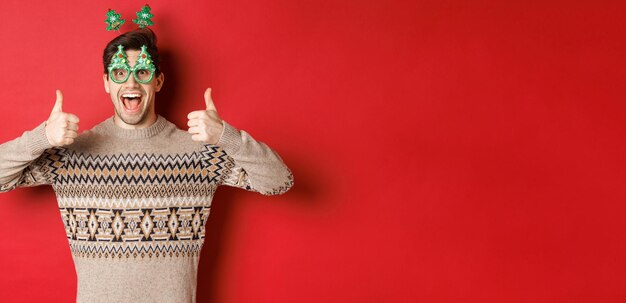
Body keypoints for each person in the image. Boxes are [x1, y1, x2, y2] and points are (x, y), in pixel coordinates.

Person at [0, 28, 293, 303]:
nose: (130, 83)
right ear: (106, 82)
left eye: (141, 72)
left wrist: (226, 137)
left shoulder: (198, 153)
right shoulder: (70, 155)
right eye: (119, 73)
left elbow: (279, 181)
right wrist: (41, 138)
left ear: (158, 81)